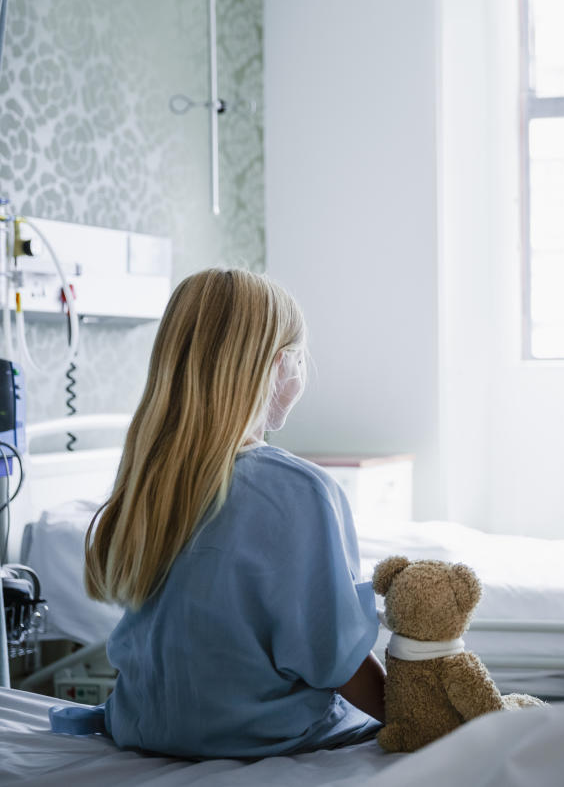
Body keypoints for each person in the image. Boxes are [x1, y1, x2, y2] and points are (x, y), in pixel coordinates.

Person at [83, 268, 384, 759]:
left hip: (144, 728)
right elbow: (337, 659)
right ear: (281, 365)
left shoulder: (148, 478)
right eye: (301, 359)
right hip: (269, 737)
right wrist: (418, 721)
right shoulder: (299, 490)